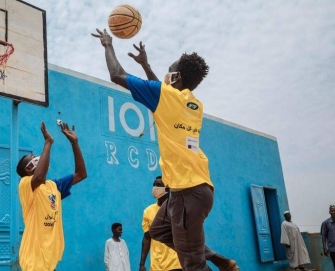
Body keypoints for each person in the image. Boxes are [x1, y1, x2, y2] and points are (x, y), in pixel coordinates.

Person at [92, 29, 237, 270]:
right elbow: (163, 91)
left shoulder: (166, 97)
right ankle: (218, 259)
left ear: (176, 75)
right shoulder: (193, 103)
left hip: (188, 192)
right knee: (158, 230)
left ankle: (205, 259)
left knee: (191, 264)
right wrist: (146, 65)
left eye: (169, 70)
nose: (165, 75)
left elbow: (116, 74)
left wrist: (108, 45)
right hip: (191, 189)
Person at [16, 122, 87, 271]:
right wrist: (48, 142)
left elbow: (81, 174)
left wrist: (74, 143)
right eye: (35, 158)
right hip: (34, 261)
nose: (39, 158)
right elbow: (39, 177)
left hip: (50, 261)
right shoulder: (26, 184)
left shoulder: (53, 187)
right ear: (29, 169)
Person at [139, 176, 237, 271]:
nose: (156, 188)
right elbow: (147, 237)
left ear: (167, 187)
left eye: (159, 185)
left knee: (191, 256)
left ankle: (220, 262)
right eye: (154, 185)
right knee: (157, 231)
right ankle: (220, 261)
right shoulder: (148, 211)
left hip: (176, 263)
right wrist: (142, 264)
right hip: (157, 265)